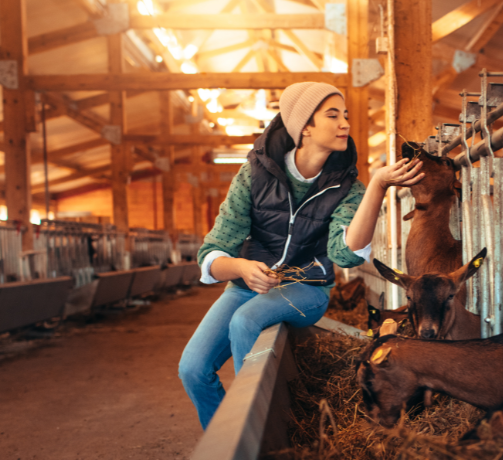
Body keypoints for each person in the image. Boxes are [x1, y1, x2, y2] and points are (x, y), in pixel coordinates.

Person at [178, 82, 424, 428]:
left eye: (346, 115)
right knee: (192, 369)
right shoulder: (253, 176)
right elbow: (212, 253)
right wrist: (241, 267)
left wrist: (377, 187)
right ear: (304, 126)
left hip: (307, 289)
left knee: (246, 321)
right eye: (332, 115)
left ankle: (259, 436)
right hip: (247, 286)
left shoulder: (346, 187)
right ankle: (227, 441)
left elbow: (346, 255)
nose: (345, 124)